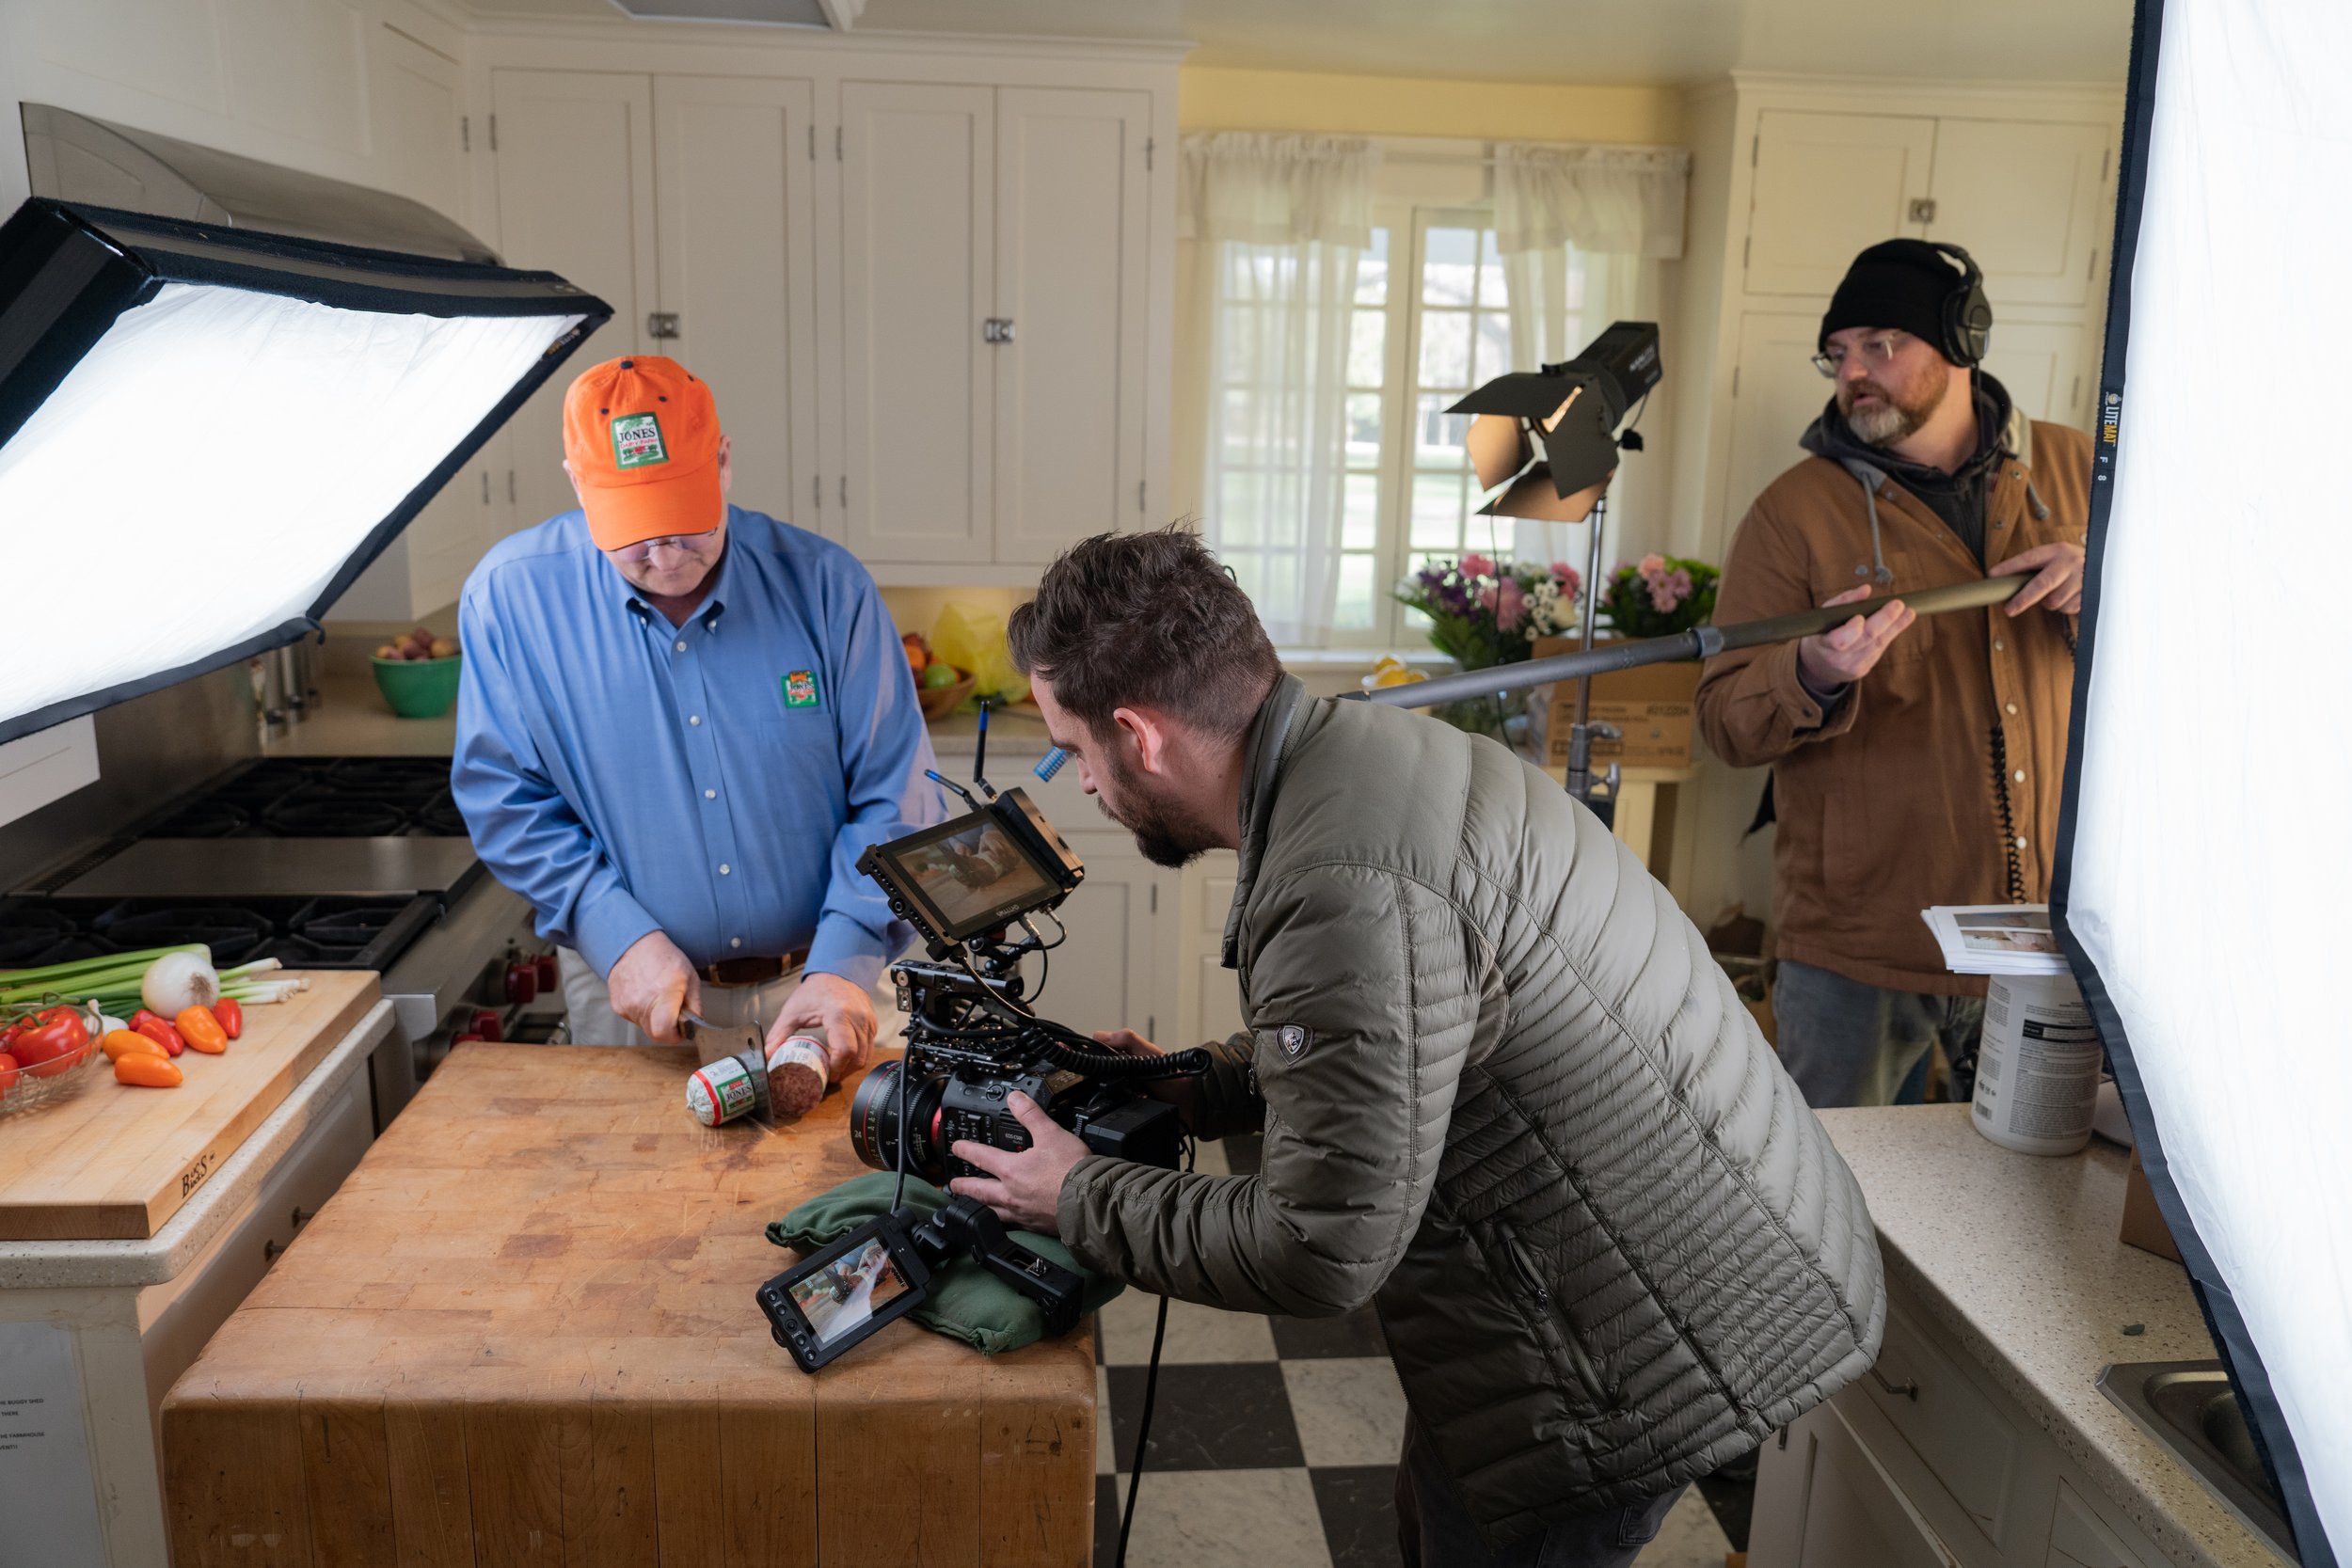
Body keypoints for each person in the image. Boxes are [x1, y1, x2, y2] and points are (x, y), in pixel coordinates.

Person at [942, 528, 1886, 1568]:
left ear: (1140, 733)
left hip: (1628, 1342)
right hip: (1716, 1250)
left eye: (1074, 750)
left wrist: (1075, 1194)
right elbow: (1403, 1031)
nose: (1079, 784)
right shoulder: (1377, 754)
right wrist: (1187, 1080)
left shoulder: (1338, 879)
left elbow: (1316, 1245)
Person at [453, 355, 940, 1070]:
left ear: (723, 461)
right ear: (578, 484)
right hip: (637, 1002)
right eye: (634, 529)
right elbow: (506, 799)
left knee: (856, 1186)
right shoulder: (508, 601)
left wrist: (846, 955)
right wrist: (611, 927)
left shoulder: (828, 587)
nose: (664, 551)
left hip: (827, 987)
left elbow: (896, 795)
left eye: (682, 518)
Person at [1693, 240, 2090, 1109]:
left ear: (1959, 342)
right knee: (1836, 1204)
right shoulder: (1793, 511)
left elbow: (2202, 661)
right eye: (1839, 354)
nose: (1854, 373)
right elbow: (1722, 718)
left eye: (1880, 345)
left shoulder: (2080, 473)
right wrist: (1809, 670)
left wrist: (2110, 600)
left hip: (2042, 937)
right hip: (1856, 949)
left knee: (2033, 1209)